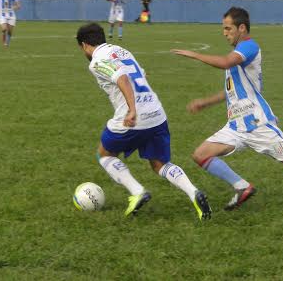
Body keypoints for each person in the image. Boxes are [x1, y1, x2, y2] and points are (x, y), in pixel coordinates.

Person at [172, 7, 283, 211]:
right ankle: (243, 187)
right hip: (236, 126)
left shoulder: (249, 47)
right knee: (201, 154)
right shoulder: (238, 54)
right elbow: (232, 91)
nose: (224, 33)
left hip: (258, 123)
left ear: (242, 28)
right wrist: (206, 102)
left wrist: (195, 55)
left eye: (228, 28)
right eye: (223, 28)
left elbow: (224, 63)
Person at [76, 22, 212, 220]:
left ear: (85, 45)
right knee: (159, 164)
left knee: (104, 154)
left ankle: (137, 191)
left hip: (134, 117)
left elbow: (121, 77)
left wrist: (131, 109)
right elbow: (142, 72)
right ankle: (194, 193)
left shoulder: (97, 61)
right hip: (156, 113)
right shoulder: (121, 51)